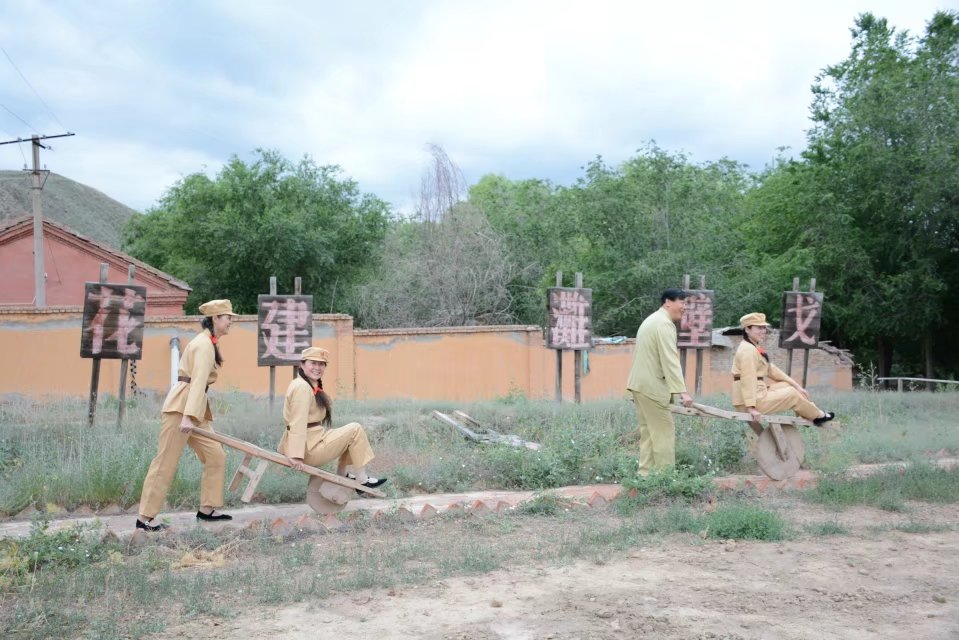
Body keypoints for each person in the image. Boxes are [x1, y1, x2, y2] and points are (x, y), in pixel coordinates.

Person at [136, 299, 238, 531]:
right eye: (227, 317)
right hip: (182, 408)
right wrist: (189, 417)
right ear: (215, 319)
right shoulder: (203, 345)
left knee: (216, 456)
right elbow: (198, 380)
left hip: (194, 407)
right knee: (165, 462)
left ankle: (207, 509)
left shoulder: (209, 342)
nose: (231, 321)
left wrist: (194, 415)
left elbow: (200, 385)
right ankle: (144, 519)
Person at [279, 346, 386, 490]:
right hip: (307, 449)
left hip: (313, 441)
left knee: (348, 435)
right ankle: (361, 480)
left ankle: (343, 475)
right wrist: (296, 455)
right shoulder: (302, 387)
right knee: (355, 429)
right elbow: (297, 422)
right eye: (313, 363)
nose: (318, 367)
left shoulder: (307, 384)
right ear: (302, 364)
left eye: (321, 364)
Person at [626, 288, 694, 475]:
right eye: (682, 302)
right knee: (664, 434)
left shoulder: (651, 320)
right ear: (667, 302)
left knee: (648, 434)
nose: (684, 307)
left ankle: (645, 477)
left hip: (639, 386)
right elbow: (670, 359)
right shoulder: (664, 324)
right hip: (652, 388)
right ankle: (665, 480)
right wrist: (682, 391)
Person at [732, 312, 835, 425]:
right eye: (759, 328)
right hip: (750, 402)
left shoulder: (753, 346)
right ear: (747, 329)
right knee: (792, 394)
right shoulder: (748, 350)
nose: (763, 331)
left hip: (756, 395)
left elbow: (771, 370)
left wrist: (798, 386)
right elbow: (748, 378)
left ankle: (808, 413)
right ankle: (818, 416)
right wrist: (751, 408)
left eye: (764, 327)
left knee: (790, 386)